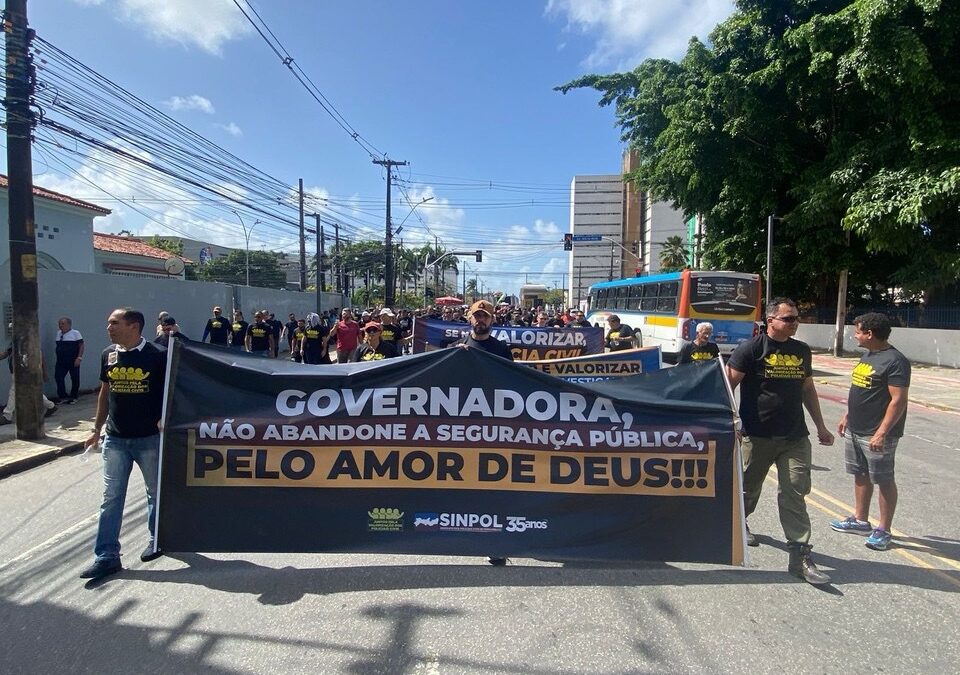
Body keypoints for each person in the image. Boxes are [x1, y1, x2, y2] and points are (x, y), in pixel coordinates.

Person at [727, 297, 835, 585]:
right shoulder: (750, 350)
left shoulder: (801, 351)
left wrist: (821, 426)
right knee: (748, 487)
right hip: (758, 435)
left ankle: (799, 555)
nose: (794, 323)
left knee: (795, 492)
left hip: (794, 436)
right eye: (788, 318)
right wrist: (733, 421)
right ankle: (741, 522)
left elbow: (808, 389)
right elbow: (728, 387)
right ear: (770, 320)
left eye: (796, 318)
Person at [79, 308, 167, 580]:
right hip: (115, 439)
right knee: (110, 499)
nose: (109, 327)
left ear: (134, 326)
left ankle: (156, 539)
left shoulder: (158, 355)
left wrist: (165, 419)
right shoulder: (109, 354)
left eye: (114, 323)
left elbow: (170, 392)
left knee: (155, 492)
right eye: (109, 323)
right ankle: (106, 556)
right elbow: (105, 392)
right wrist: (96, 428)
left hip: (149, 440)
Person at [830, 313, 911, 551]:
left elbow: (898, 400)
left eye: (857, 331)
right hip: (856, 427)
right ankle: (860, 520)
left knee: (883, 479)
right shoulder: (869, 356)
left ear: (870, 334)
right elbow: (860, 389)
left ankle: (884, 529)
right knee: (860, 474)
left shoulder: (895, 361)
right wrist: (848, 415)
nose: (855, 335)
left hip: (876, 432)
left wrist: (882, 432)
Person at [451, 300, 514, 566]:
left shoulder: (502, 350)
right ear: (469, 319)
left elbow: (512, 384)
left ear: (492, 321)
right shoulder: (456, 349)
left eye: (485, 316)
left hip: (494, 427)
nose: (481, 320)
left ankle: (495, 543)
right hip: (463, 428)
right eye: (477, 316)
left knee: (494, 485)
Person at [1, 323, 57, 423]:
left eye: (13, 328)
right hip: (18, 370)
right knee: (33, 390)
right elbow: (6, 353)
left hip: (23, 371)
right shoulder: (15, 340)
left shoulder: (27, 340)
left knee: (13, 392)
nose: (12, 331)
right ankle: (50, 405)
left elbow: (39, 355)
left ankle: (7, 415)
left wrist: (43, 371)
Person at [54, 316, 85, 403]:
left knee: (74, 378)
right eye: (60, 324)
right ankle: (62, 396)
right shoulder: (59, 333)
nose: (61, 326)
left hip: (73, 360)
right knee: (58, 377)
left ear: (69, 324)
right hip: (61, 361)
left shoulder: (75, 333)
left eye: (63, 324)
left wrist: (79, 358)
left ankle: (74, 396)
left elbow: (81, 345)